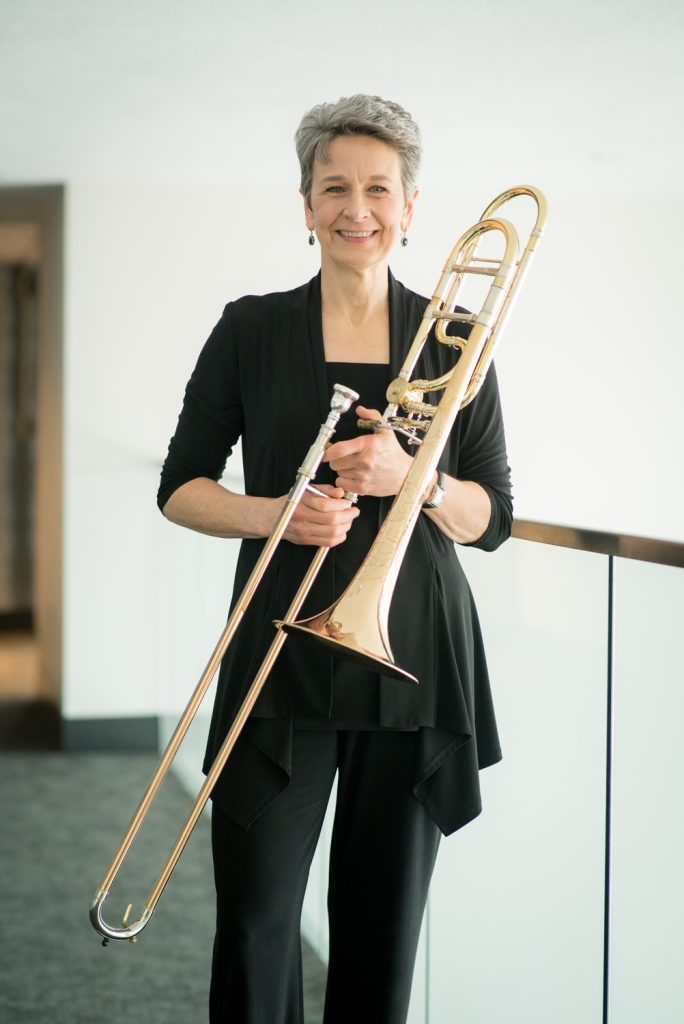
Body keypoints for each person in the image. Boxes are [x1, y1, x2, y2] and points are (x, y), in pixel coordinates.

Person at [157, 94, 512, 1024]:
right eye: (335, 186)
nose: (358, 207)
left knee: (379, 930)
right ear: (306, 203)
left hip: (413, 659)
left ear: (411, 204)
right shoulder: (250, 329)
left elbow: (492, 512)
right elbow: (181, 487)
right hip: (281, 651)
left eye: (379, 188)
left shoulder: (455, 337)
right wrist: (277, 514)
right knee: (256, 922)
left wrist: (417, 478)